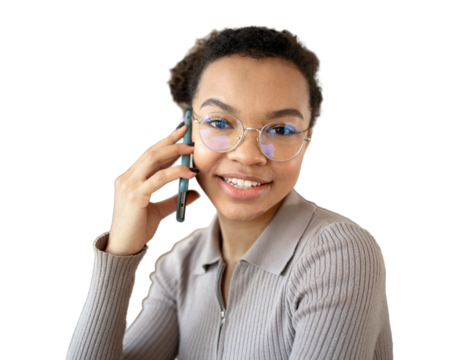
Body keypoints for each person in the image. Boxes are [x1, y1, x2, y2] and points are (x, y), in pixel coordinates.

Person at [66, 24, 393, 360]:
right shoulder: (182, 265)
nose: (249, 154)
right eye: (220, 123)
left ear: (307, 138)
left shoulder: (339, 253)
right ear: (186, 131)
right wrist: (119, 254)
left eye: (281, 129)